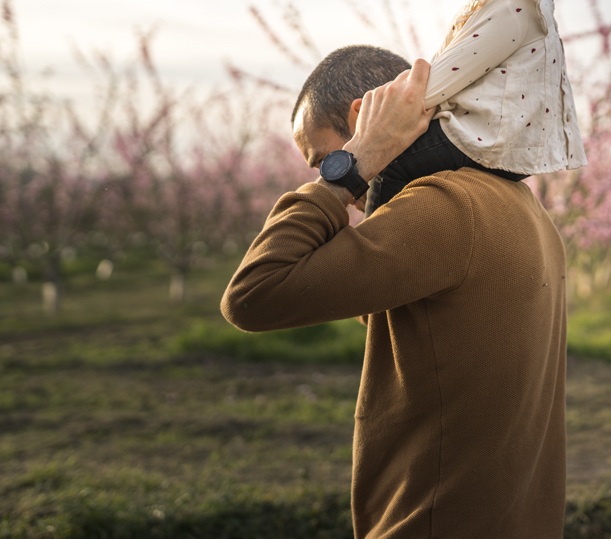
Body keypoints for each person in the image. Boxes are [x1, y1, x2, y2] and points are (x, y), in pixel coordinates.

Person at [221, 45, 569, 538]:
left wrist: (354, 165)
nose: (330, 175)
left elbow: (254, 293)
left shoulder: (443, 208)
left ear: (365, 117)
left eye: (324, 159)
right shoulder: (520, 204)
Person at [364, 0, 586, 216]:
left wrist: (397, 108)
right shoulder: (509, 6)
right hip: (500, 136)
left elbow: (450, 72)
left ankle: (371, 250)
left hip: (488, 135)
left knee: (389, 165)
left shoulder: (513, 6)